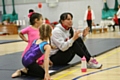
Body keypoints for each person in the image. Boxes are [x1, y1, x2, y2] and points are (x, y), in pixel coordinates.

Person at [11, 12, 52, 78]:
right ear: (50, 34)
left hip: (24, 59)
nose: (42, 20)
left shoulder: (36, 40)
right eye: (41, 19)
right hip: (29, 62)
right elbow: (46, 59)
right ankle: (23, 71)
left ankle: (27, 68)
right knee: (42, 74)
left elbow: (33, 52)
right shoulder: (47, 46)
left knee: (40, 69)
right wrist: (46, 73)